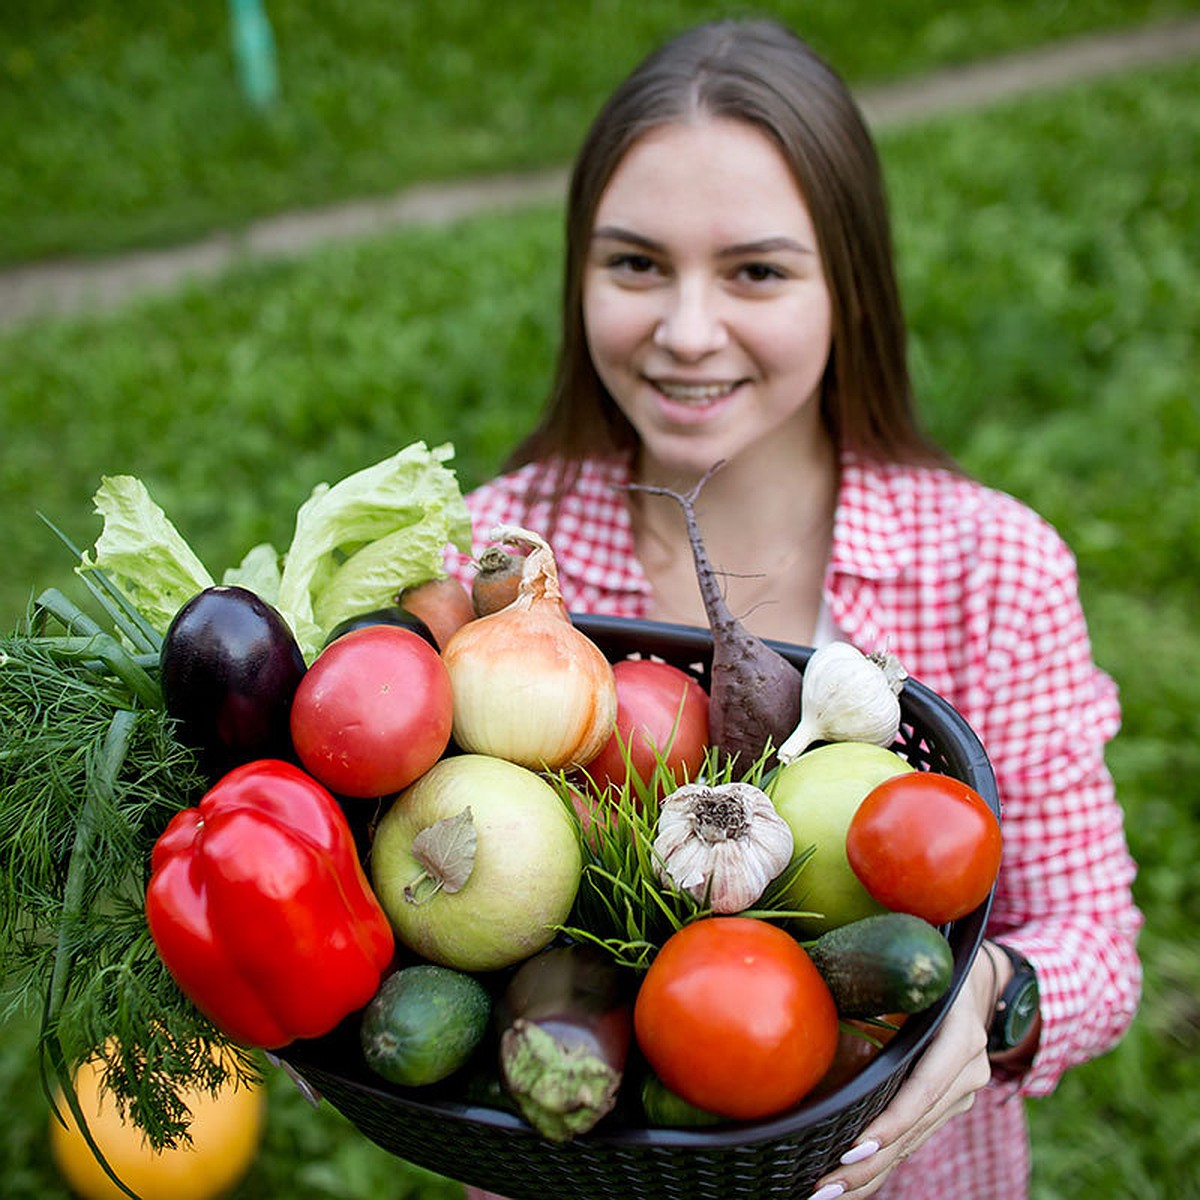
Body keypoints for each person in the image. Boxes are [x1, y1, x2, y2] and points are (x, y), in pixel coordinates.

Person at [448, 18, 1142, 1200]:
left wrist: (988, 994)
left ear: (851, 288)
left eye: (757, 271)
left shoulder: (991, 568)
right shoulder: (495, 556)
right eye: (634, 264)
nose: (686, 330)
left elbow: (1093, 944)